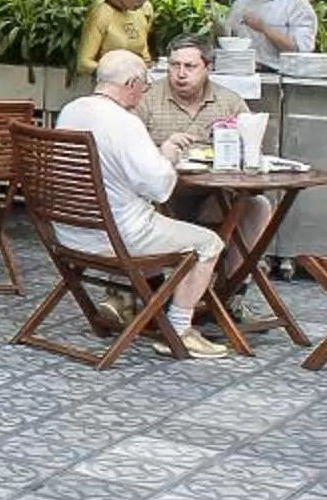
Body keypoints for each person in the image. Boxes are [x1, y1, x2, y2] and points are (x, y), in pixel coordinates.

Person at [52, 49, 228, 358]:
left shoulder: (71, 111)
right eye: (144, 85)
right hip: (117, 237)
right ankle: (179, 329)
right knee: (208, 243)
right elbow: (160, 188)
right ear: (132, 83)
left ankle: (131, 301)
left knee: (159, 223)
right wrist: (168, 154)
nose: (144, 92)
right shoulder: (124, 123)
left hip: (69, 233)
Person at [140, 33, 273, 239]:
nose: (180, 74)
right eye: (175, 65)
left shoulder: (229, 102)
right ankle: (155, 270)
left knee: (257, 206)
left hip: (215, 195)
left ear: (207, 68)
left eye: (189, 66)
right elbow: (127, 156)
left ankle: (235, 272)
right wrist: (161, 152)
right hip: (160, 195)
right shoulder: (146, 99)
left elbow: (252, 152)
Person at [72, 0, 157, 74]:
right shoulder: (102, 14)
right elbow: (84, 63)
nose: (142, 2)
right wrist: (116, 73)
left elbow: (145, 56)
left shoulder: (139, 14)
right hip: (109, 83)